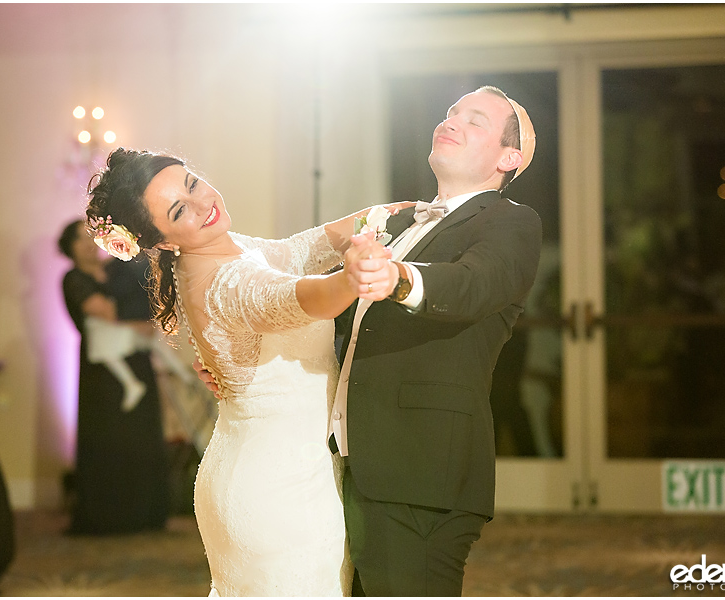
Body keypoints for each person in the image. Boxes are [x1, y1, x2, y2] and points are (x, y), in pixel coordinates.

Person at [84, 149, 406, 596]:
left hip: (257, 471)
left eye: (193, 183)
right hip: (280, 489)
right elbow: (291, 297)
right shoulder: (222, 281)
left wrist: (386, 216)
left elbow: (303, 249)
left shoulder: (227, 250)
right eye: (180, 210)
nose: (202, 204)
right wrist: (350, 280)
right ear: (160, 241)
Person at [332, 85, 542, 596]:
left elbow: (473, 284)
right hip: (354, 458)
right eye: (450, 113)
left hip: (419, 466)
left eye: (475, 121)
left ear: (508, 157)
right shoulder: (400, 223)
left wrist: (399, 279)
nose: (451, 122)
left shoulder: (511, 220)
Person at [58, 219, 169, 535]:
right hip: (103, 371)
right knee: (110, 436)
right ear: (69, 247)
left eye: (89, 238)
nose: (86, 245)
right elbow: (103, 311)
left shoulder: (118, 270)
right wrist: (139, 322)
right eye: (79, 240)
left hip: (137, 358)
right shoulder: (73, 279)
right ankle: (109, 516)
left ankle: (145, 514)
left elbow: (150, 302)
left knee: (141, 433)